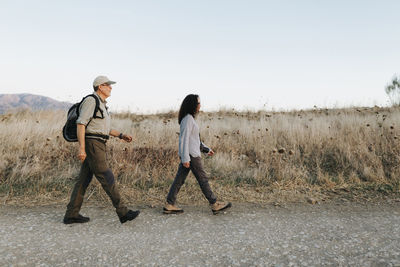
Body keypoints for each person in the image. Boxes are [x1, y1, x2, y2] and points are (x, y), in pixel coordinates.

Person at [63, 75, 140, 224]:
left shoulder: (102, 104)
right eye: (108, 85)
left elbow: (104, 128)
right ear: (100, 87)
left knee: (83, 180)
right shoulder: (91, 101)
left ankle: (71, 214)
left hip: (98, 143)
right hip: (93, 144)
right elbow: (81, 124)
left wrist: (121, 135)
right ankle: (123, 212)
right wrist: (82, 148)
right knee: (107, 176)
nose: (111, 87)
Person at [163, 94, 232, 214]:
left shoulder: (189, 119)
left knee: (179, 180)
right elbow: (183, 139)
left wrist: (206, 149)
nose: (200, 105)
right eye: (198, 103)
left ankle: (169, 204)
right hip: (191, 156)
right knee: (203, 179)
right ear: (193, 105)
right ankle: (214, 204)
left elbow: (195, 140)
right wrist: (185, 158)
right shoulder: (188, 119)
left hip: (190, 154)